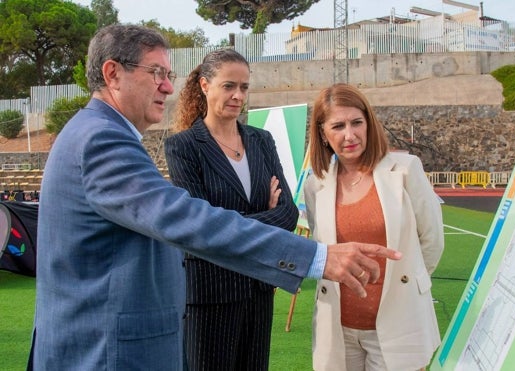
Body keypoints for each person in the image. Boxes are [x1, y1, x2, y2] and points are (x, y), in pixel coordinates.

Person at [28, 25, 400, 371]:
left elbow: (251, 214)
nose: (168, 88)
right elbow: (187, 218)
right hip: (107, 352)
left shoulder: (96, 133)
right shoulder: (101, 140)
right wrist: (315, 256)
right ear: (113, 74)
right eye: (156, 73)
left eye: (168, 76)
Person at [164, 49, 295, 370]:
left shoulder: (262, 141)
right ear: (205, 85)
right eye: (229, 86)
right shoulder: (183, 147)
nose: (238, 95)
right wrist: (266, 217)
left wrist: (229, 222)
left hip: (259, 287)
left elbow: (289, 214)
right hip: (210, 294)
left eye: (245, 87)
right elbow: (198, 228)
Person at [304, 83, 444, 371]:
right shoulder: (315, 184)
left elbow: (431, 242)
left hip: (397, 326)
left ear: (368, 122)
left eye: (357, 122)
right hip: (339, 329)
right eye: (338, 126)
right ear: (323, 133)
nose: (350, 134)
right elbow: (324, 254)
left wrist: (401, 287)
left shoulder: (406, 169)